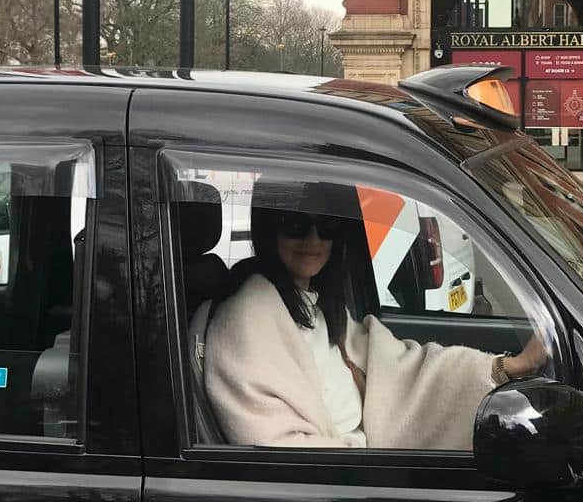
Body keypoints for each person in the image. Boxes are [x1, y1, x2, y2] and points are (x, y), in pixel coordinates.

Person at [203, 182, 546, 450]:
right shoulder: (250, 316)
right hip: (340, 480)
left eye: (327, 226)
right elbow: (274, 447)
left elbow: (401, 368)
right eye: (295, 225)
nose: (313, 239)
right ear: (268, 230)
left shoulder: (313, 303)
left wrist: (506, 367)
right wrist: (361, 461)